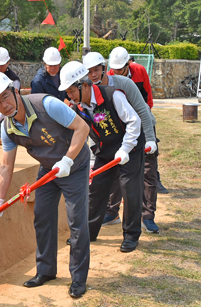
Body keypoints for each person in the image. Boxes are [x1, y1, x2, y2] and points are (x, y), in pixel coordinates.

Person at [0, 72, 91, 299]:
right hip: (49, 171)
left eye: (5, 97)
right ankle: (46, 271)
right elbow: (5, 167)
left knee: (77, 222)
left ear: (15, 90)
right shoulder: (8, 128)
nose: (4, 105)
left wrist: (68, 160)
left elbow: (82, 128)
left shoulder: (47, 104)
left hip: (75, 166)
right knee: (42, 218)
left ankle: (78, 279)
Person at [61, 60, 145, 252]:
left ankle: (131, 235)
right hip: (105, 151)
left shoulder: (112, 95)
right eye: (67, 93)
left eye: (72, 91)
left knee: (129, 190)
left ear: (84, 85)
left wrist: (125, 148)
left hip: (129, 148)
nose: (70, 96)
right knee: (96, 190)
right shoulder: (79, 108)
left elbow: (134, 121)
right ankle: (89, 232)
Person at [108, 47, 163, 233]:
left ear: (128, 63)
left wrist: (148, 137)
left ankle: (147, 216)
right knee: (117, 166)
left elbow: (147, 102)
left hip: (144, 122)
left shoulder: (139, 71)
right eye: (113, 70)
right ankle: (112, 211)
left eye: (120, 70)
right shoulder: (107, 77)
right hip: (122, 127)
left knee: (149, 171)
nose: (116, 73)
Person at [0, 47, 20, 142]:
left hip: (7, 114)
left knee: (4, 141)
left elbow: (11, 104)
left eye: (1, 65)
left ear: (8, 62)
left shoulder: (13, 81)